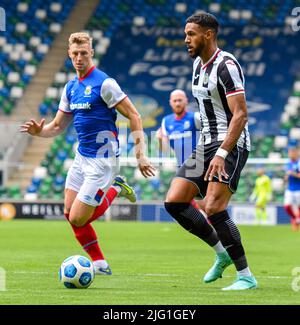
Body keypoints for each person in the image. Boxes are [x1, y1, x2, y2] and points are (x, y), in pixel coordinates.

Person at [21, 32, 155, 275]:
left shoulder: (105, 83)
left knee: (78, 218)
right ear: (69, 56)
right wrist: (39, 132)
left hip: (102, 160)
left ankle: (115, 186)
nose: (79, 58)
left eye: (84, 53)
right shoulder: (71, 87)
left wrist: (140, 155)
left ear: (91, 53)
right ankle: (100, 263)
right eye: (75, 54)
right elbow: (58, 126)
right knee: (68, 213)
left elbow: (134, 115)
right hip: (81, 157)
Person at [164, 13, 257, 290]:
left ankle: (246, 276)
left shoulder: (226, 65)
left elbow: (240, 115)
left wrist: (221, 153)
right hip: (206, 144)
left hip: (231, 143)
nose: (186, 39)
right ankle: (222, 254)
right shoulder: (196, 65)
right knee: (175, 202)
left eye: (191, 34)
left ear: (208, 34)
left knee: (215, 206)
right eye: (185, 34)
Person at [156, 89, 200, 209]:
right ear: (170, 102)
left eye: (180, 100)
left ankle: (205, 222)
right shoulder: (166, 121)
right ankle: (204, 222)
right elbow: (165, 150)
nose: (177, 103)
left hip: (197, 165)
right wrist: (160, 140)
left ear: (186, 101)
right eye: (175, 101)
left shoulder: (195, 117)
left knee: (176, 199)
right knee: (179, 201)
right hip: (181, 167)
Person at [284, 147, 300, 231]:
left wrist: (293, 173)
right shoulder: (288, 163)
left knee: (298, 207)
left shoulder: (298, 163)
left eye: (291, 153)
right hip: (290, 189)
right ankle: (296, 219)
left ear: (295, 153)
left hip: (298, 189)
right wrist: (286, 178)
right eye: (289, 153)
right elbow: (287, 175)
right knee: (287, 206)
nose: (290, 154)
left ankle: (296, 222)